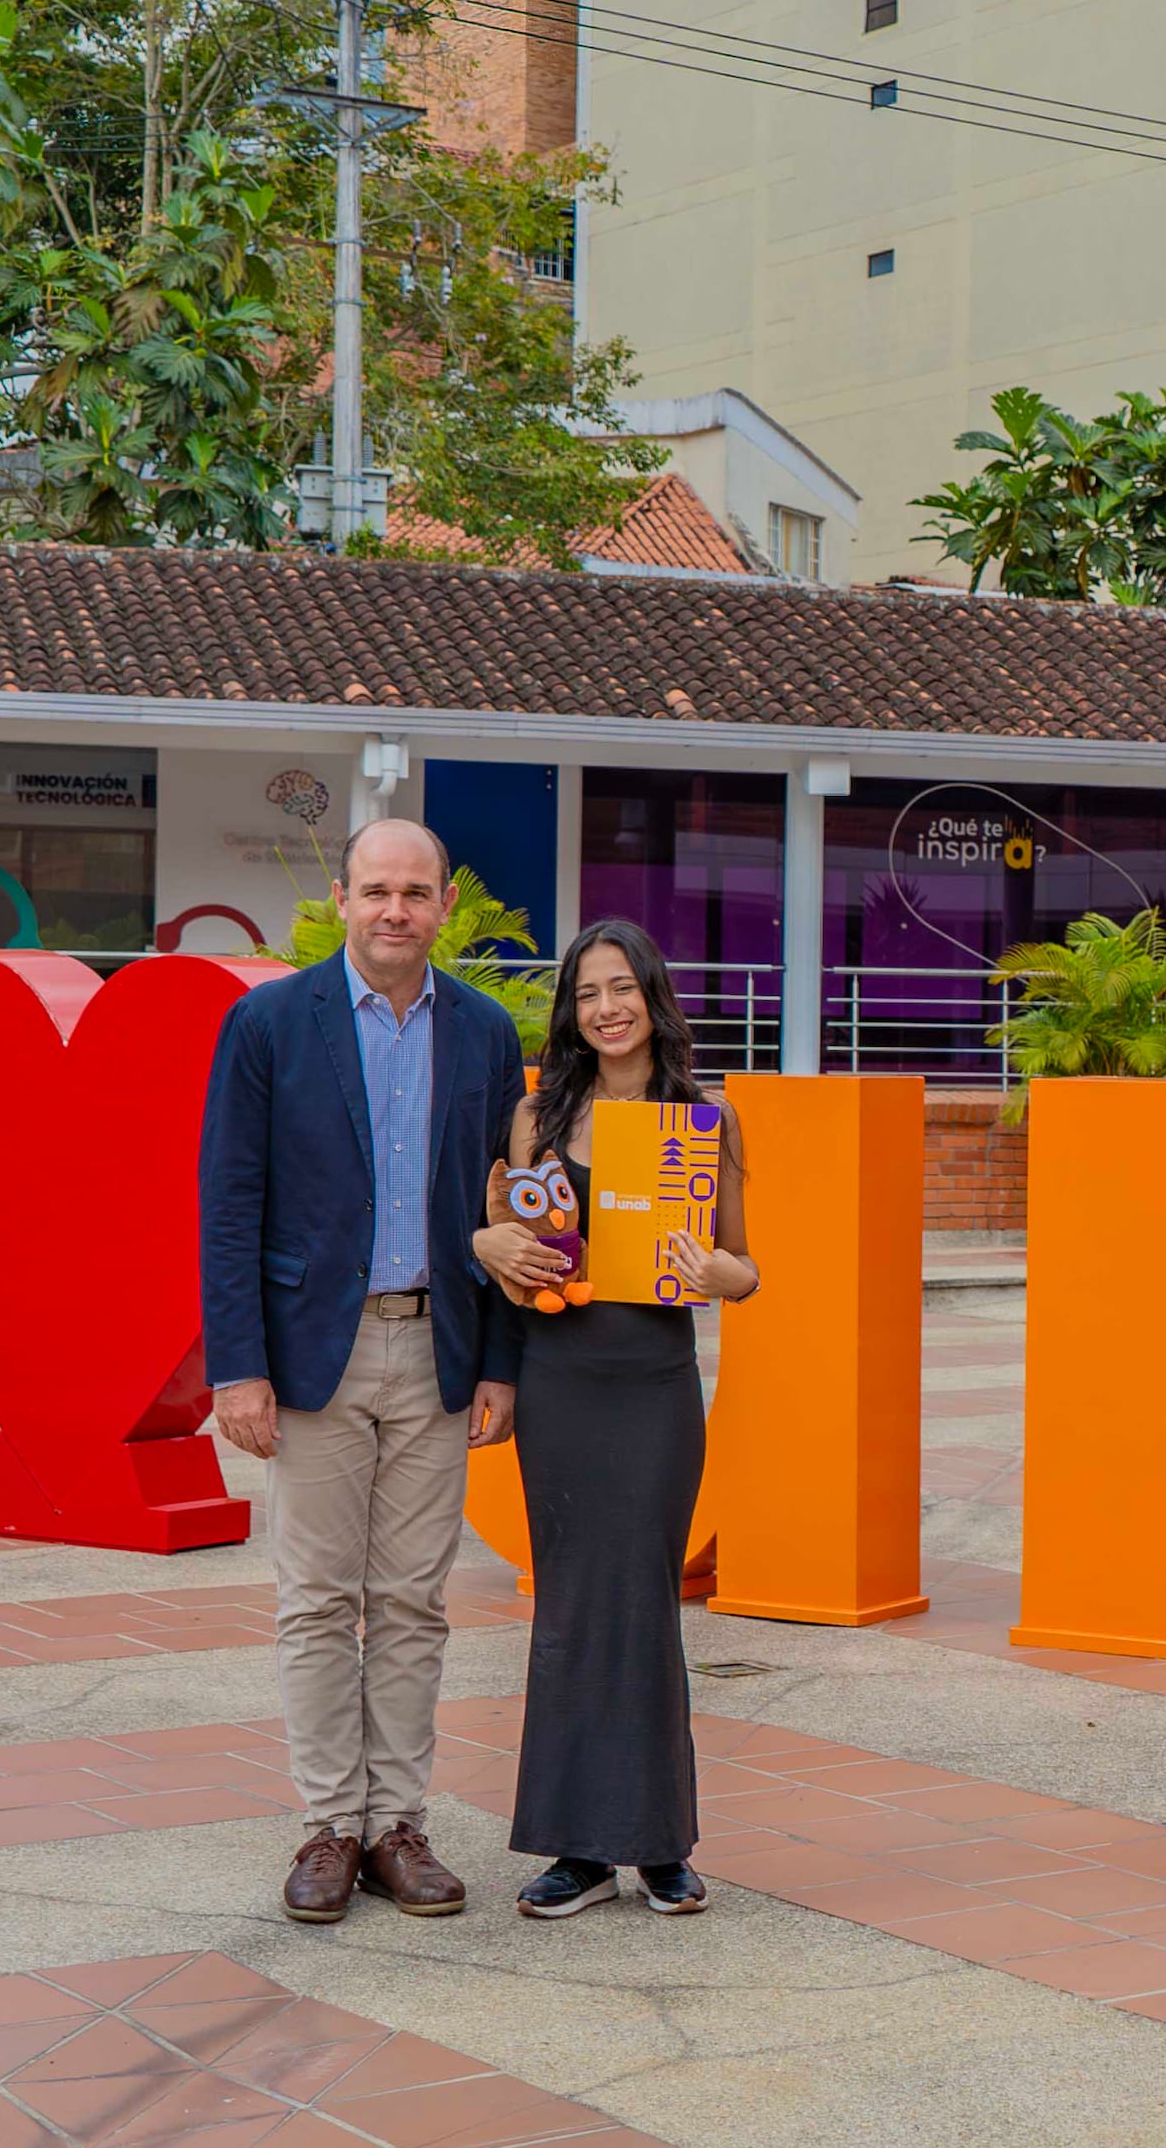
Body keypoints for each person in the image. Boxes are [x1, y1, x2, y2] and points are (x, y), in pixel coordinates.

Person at [200, 818, 531, 1923]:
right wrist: (236, 1368)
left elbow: (502, 1208)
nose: (396, 909)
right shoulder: (266, 1023)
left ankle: (399, 1825)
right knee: (315, 1599)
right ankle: (329, 1826)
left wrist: (499, 1362)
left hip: (437, 1344)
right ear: (341, 897)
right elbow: (228, 1205)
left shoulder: (485, 1034)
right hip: (311, 1356)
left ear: (445, 908)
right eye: (377, 888)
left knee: (410, 1603)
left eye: (417, 891)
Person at [473, 921, 754, 1918]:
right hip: (560, 1384)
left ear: (653, 998)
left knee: (641, 1610)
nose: (605, 1008)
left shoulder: (699, 1121)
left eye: (622, 988)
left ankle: (658, 1843)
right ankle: (574, 1851)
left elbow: (742, 1266)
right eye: (587, 992)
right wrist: (492, 1244)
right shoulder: (536, 1118)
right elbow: (506, 1247)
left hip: (652, 1390)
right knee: (567, 1612)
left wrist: (722, 1277)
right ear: (571, 1011)